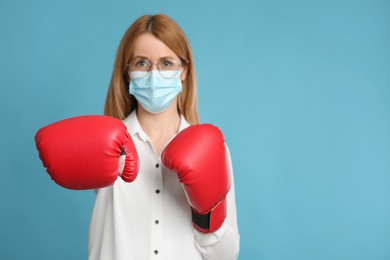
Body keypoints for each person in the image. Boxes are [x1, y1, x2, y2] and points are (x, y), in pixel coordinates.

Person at [35, 14, 239, 259]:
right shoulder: (106, 143)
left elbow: (226, 256)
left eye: (166, 63)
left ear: (184, 70)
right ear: (128, 71)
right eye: (142, 63)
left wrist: (207, 215)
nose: (154, 74)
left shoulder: (211, 150)